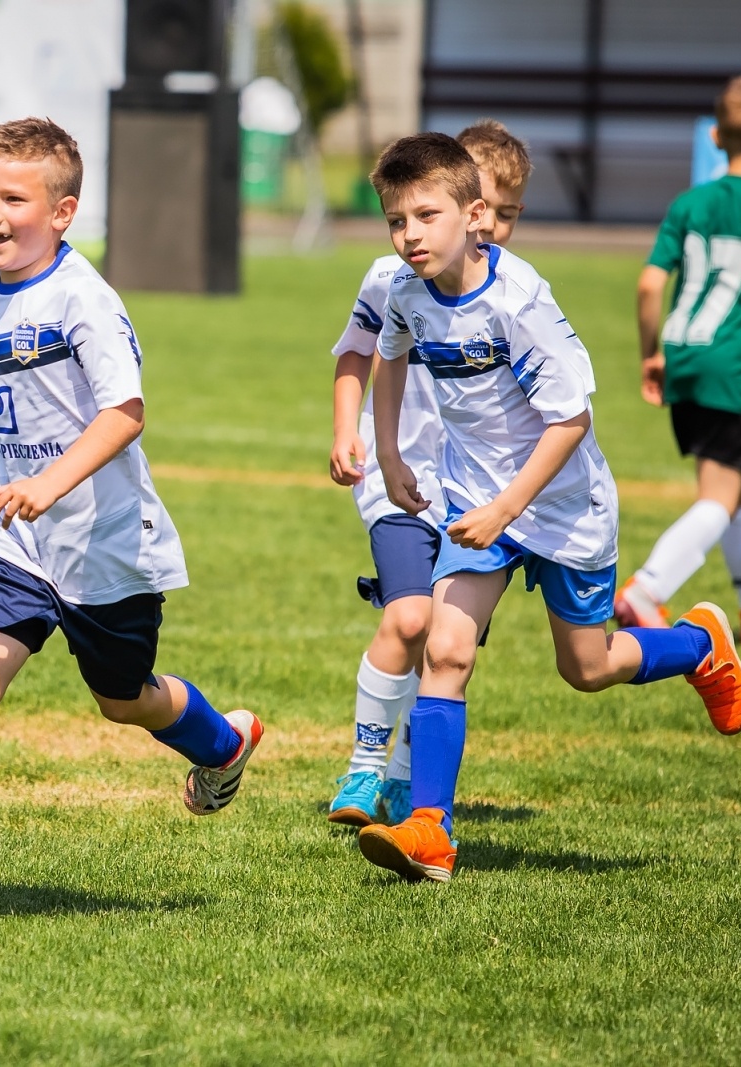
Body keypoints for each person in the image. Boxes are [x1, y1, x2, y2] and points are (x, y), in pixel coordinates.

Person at [0, 118, 262, 925]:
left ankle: (223, 746)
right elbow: (11, 404)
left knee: (124, 699)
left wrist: (49, 484)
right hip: (15, 536)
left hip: (102, 539)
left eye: (12, 199)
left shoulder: (84, 298)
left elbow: (124, 412)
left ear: (62, 212)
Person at [356, 132, 741, 884]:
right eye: (396, 221)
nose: (409, 235)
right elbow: (390, 356)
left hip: (565, 507)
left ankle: (698, 645)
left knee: (588, 666)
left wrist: (507, 510)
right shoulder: (405, 291)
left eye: (426, 216)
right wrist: (391, 455)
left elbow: (569, 421)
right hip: (478, 503)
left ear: (475, 215)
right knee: (447, 649)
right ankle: (430, 831)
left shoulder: (520, 303)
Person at [325, 121, 533, 828]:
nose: (492, 225)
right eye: (485, 208)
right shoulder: (393, 276)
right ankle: (363, 770)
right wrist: (348, 432)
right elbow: (357, 353)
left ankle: (405, 784)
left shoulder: (511, 294)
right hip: (402, 479)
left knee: (448, 642)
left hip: (476, 492)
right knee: (409, 615)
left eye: (507, 213)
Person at [614, 75, 741, 647]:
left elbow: (650, 285)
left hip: (686, 355)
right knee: (720, 499)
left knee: (740, 493)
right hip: (733, 367)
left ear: (716, 137)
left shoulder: (689, 203)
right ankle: (645, 590)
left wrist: (651, 353)